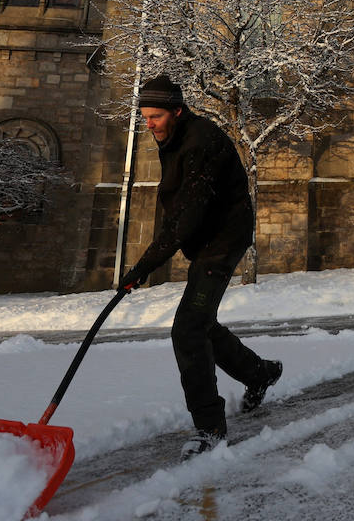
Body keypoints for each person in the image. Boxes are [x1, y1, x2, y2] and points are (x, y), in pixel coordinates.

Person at [119, 74, 282, 460]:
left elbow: (187, 216)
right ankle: (259, 373)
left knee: (188, 329)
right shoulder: (173, 139)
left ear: (177, 111)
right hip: (206, 240)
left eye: (156, 116)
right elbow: (174, 206)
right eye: (145, 116)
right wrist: (144, 266)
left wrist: (143, 266)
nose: (149, 124)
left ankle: (210, 430)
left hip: (223, 241)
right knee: (201, 322)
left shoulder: (200, 142)